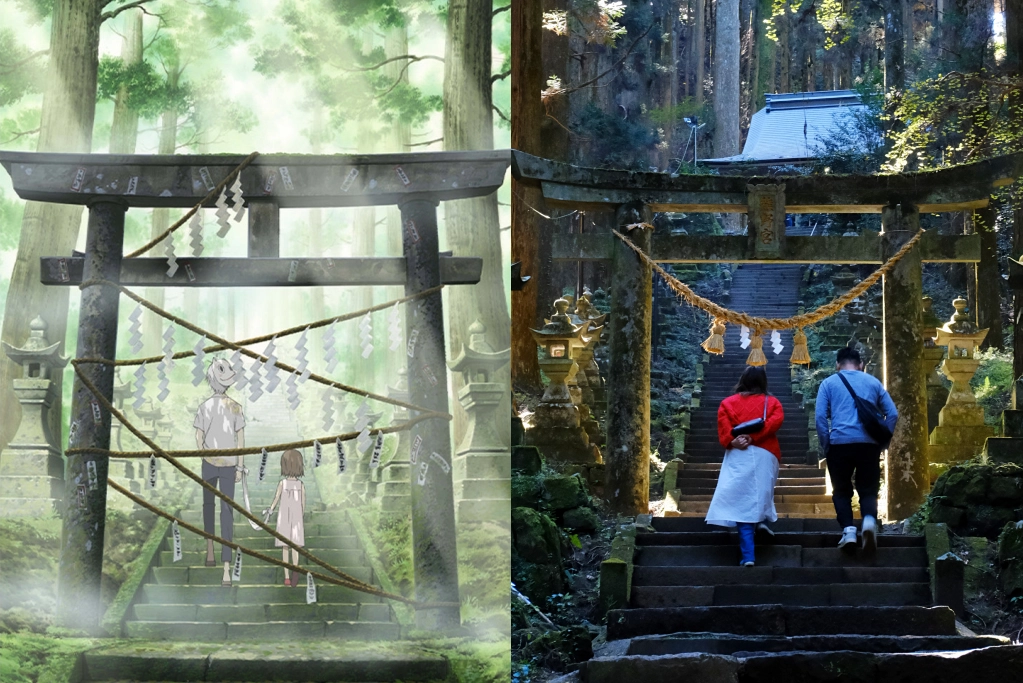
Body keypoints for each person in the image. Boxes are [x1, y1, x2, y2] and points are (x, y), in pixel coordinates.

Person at [815, 346, 898, 552]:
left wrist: (827, 443)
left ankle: (849, 531)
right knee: (868, 489)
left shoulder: (829, 383)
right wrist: (882, 441)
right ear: (861, 365)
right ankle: (869, 522)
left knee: (841, 490)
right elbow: (893, 414)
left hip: (839, 444)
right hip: (868, 445)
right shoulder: (872, 382)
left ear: (837, 364)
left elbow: (820, 418)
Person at [705, 366, 784, 566]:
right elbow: (775, 422)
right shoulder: (772, 403)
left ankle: (748, 555)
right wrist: (754, 436)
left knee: (742, 501)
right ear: (764, 382)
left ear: (742, 380)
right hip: (766, 452)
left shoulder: (727, 403)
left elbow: (724, 430)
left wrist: (733, 441)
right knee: (761, 491)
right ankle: (762, 521)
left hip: (739, 453)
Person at [194, 358, 246, 586]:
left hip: (214, 463)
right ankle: (222, 564)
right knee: (224, 511)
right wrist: (240, 466)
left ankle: (212, 553)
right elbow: (241, 440)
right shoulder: (233, 407)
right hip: (226, 464)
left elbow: (198, 436)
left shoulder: (207, 407)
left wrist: (204, 453)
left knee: (211, 507)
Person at [267, 449, 306, 587]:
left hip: (284, 518)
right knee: (295, 547)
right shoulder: (300, 485)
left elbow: (276, 499)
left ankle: (287, 576)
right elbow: (302, 504)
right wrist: (300, 517)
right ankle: (295, 570)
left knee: (285, 548)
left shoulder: (282, 484)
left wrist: (270, 510)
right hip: (296, 519)